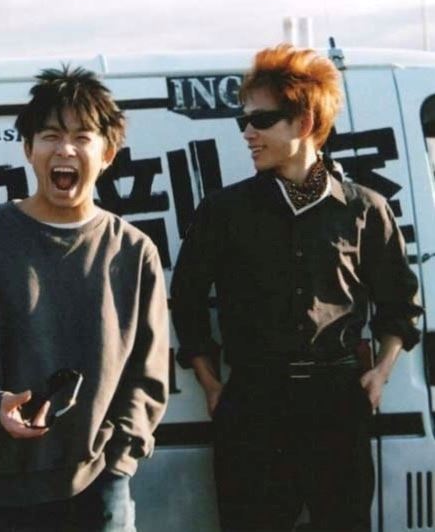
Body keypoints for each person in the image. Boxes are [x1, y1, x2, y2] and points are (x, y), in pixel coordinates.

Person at [170, 43, 423, 531]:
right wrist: (212, 383)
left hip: (338, 401)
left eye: (261, 120)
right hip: (254, 402)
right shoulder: (224, 212)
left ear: (305, 122)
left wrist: (381, 373)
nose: (247, 133)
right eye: (244, 120)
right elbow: (188, 299)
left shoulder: (364, 208)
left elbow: (400, 301)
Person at [0, 66, 169, 532]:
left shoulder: (133, 252)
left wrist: (118, 462)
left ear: (108, 154)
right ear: (28, 149)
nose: (64, 149)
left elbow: (149, 375)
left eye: (82, 137)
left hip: (97, 491)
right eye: (50, 135)